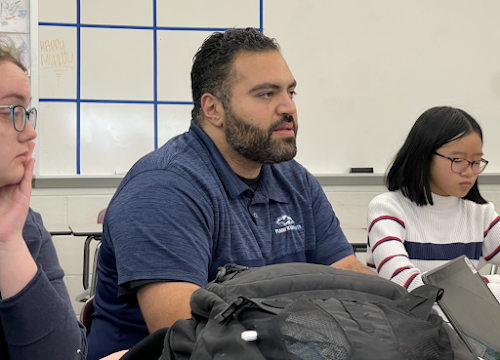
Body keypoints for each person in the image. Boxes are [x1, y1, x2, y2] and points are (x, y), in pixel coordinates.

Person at [87, 27, 372, 360]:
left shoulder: (295, 180)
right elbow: (187, 335)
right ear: (213, 109)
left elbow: (347, 275)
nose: (287, 108)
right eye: (266, 94)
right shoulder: (163, 188)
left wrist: (398, 308)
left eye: (290, 92)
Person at [0, 49, 87, 358]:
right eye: (12, 110)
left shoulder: (25, 225)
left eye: (27, 111)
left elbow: (68, 353)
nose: (32, 132)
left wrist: (9, 243)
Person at [366, 106, 500, 292]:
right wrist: (479, 286)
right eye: (458, 160)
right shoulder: (387, 208)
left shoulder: (481, 213)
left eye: (476, 162)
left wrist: (475, 286)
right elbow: (403, 284)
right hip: (404, 319)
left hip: (462, 320)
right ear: (425, 156)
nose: (469, 172)